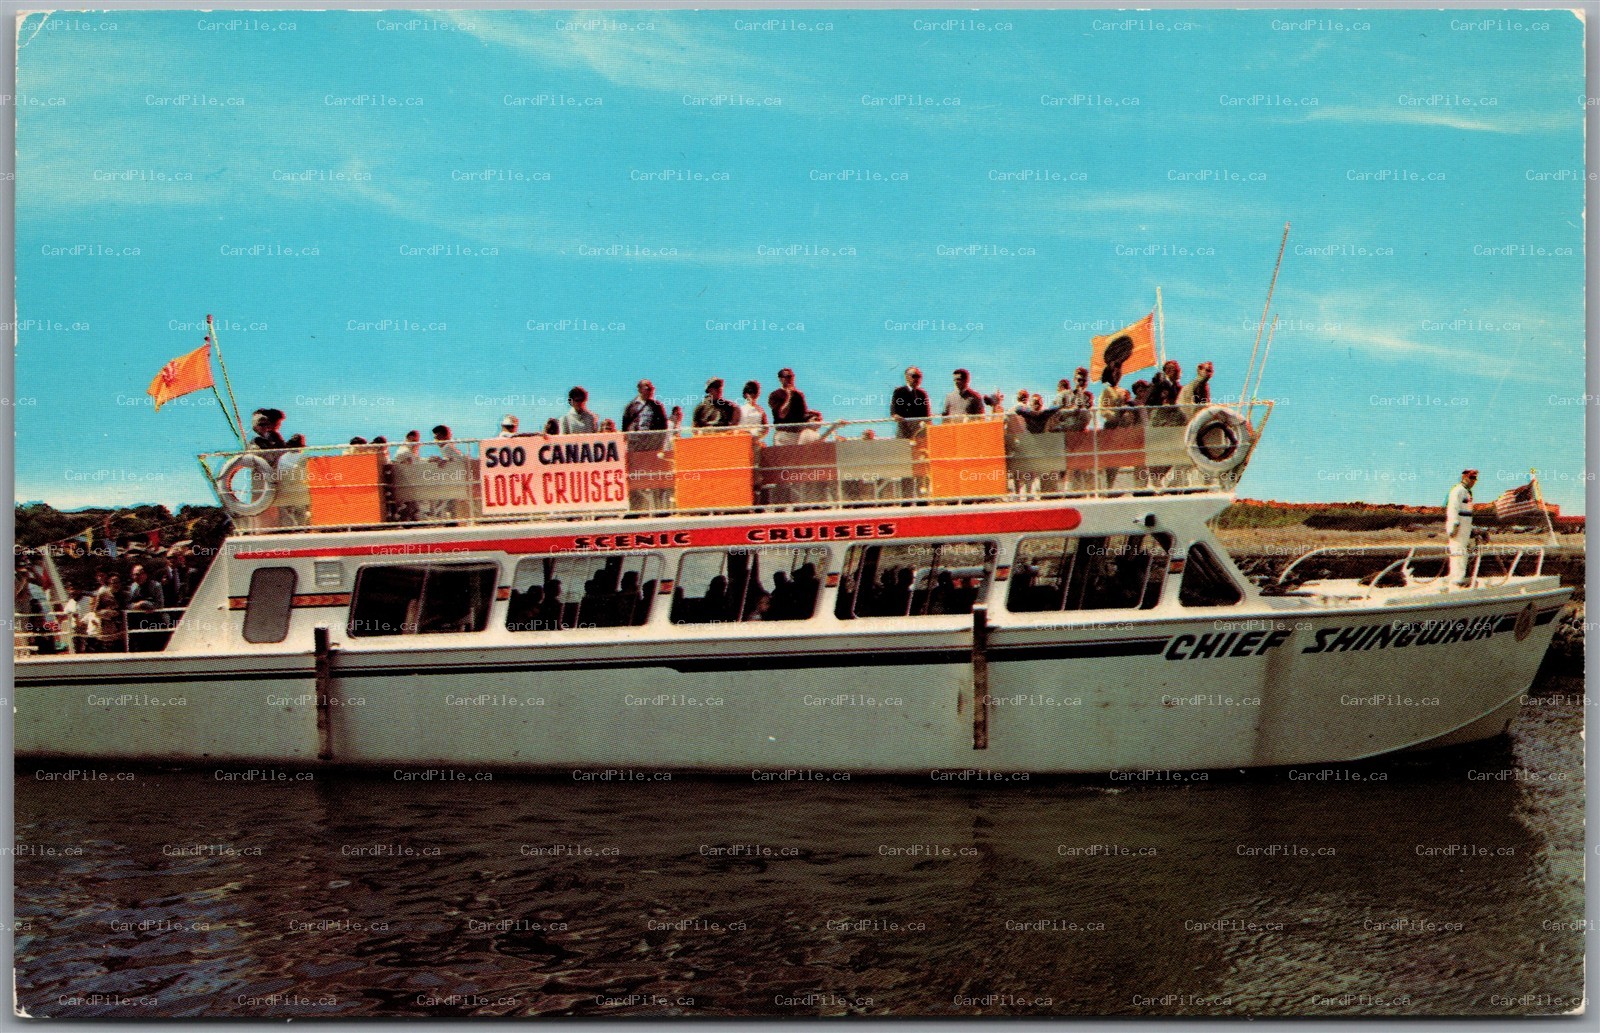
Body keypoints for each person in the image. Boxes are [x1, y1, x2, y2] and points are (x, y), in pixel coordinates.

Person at [1446, 468, 1478, 586]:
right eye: (1472, 478)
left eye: (1475, 478)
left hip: (1465, 527)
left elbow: (1467, 513)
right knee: (1457, 550)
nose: (1474, 481)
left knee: (1462, 551)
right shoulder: (1457, 491)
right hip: (1458, 527)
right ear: (1464, 478)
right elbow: (1453, 508)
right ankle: (1457, 579)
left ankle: (1460, 576)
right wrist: (1454, 525)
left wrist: (1471, 528)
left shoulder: (1467, 492)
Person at [622, 379, 669, 450]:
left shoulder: (657, 406)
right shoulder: (631, 406)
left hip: (651, 443)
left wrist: (660, 442)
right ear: (640, 390)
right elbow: (625, 426)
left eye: (652, 389)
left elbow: (664, 425)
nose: (651, 391)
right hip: (635, 443)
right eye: (648, 389)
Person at [768, 368, 808, 445]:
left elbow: (803, 415)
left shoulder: (799, 395)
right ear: (781, 379)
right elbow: (782, 414)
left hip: (797, 434)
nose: (791, 379)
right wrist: (789, 396)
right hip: (783, 434)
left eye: (792, 376)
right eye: (788, 377)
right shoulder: (775, 395)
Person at [891, 366, 930, 439]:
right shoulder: (899, 392)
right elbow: (893, 411)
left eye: (919, 376)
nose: (917, 379)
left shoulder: (922, 394)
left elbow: (926, 415)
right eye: (914, 376)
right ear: (907, 377)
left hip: (919, 431)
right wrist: (895, 416)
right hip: (904, 430)